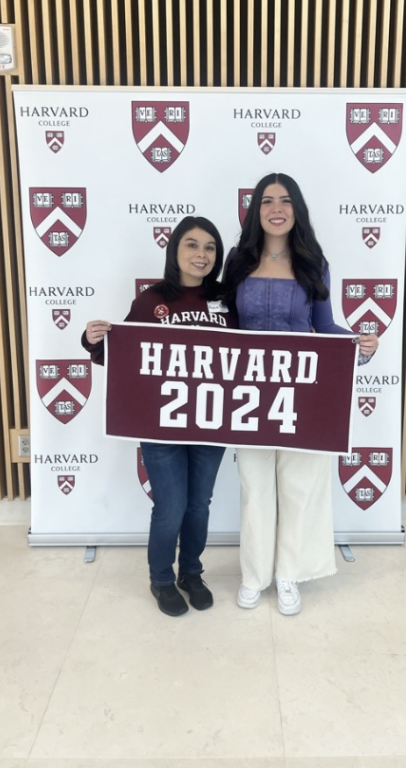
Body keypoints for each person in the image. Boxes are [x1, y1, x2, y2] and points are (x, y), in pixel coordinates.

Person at [224, 172, 378, 616]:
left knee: (300, 486)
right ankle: (254, 576)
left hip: (302, 394)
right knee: (255, 487)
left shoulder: (314, 262)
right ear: (255, 210)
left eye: (286, 200)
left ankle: (289, 574)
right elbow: (226, 329)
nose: (277, 207)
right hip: (249, 396)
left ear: (297, 210)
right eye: (268, 200)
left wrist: (358, 346)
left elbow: (326, 329)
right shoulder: (238, 259)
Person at [82, 216, 237, 617]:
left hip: (211, 421)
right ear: (175, 251)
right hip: (161, 423)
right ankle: (162, 579)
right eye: (192, 245)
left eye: (209, 247)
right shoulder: (151, 301)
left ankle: (191, 573)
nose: (201, 254)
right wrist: (93, 342)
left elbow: (251, 355)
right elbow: (126, 357)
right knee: (170, 505)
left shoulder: (227, 299)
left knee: (199, 504)